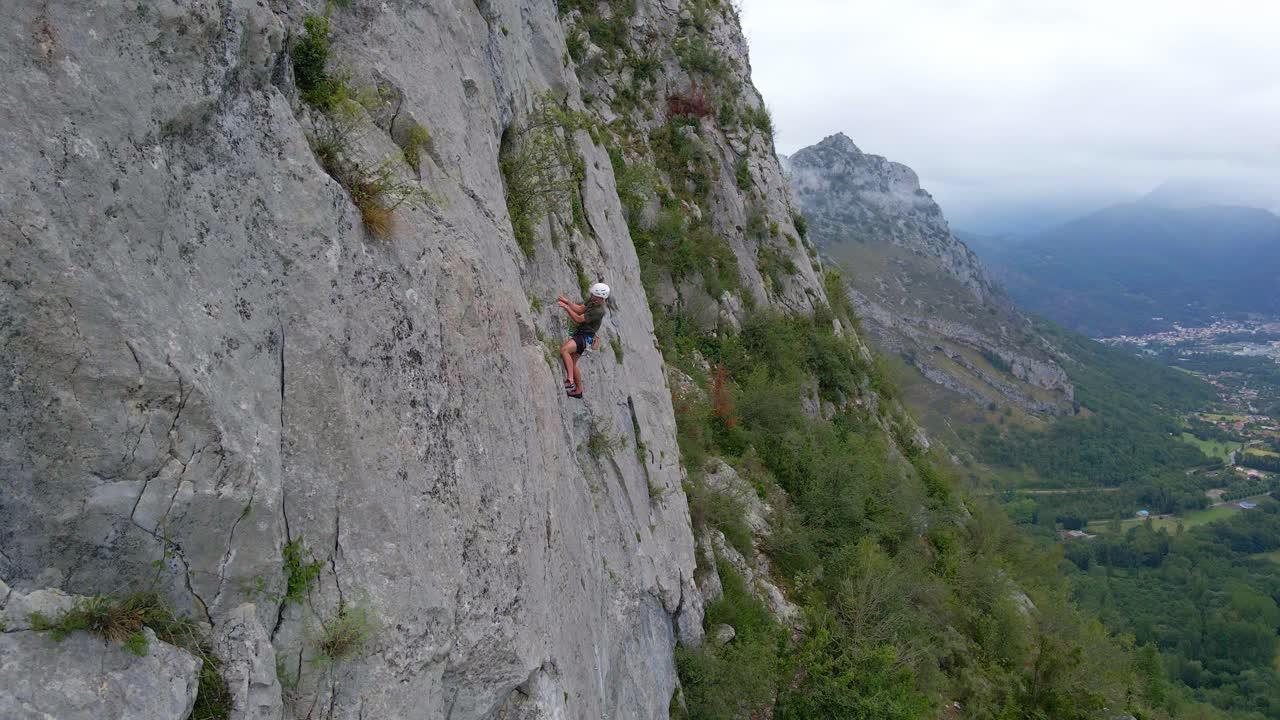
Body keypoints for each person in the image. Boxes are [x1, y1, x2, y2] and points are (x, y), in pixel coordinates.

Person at [558, 283, 609, 398]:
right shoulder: (593, 301)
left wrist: (566, 308)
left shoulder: (599, 311)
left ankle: (570, 381)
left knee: (564, 350)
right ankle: (579, 391)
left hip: (585, 336)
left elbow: (579, 318)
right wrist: (568, 302)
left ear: (600, 297)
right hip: (583, 335)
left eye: (594, 295)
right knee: (572, 363)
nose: (591, 295)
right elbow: (580, 309)